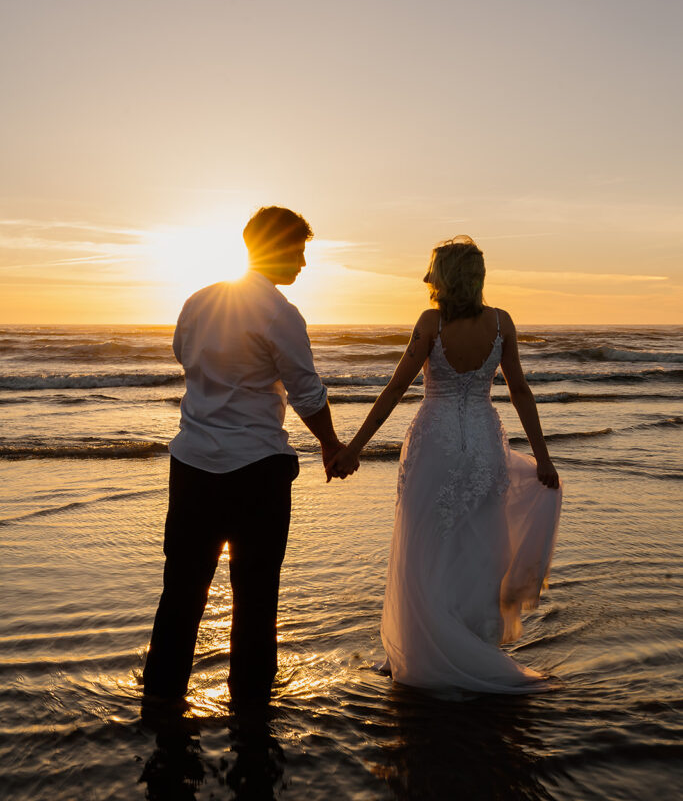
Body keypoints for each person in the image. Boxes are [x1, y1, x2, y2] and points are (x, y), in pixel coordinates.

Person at [329, 236, 562, 695]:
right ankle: (470, 645)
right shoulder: (502, 323)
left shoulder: (431, 323)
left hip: (434, 445)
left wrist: (354, 447)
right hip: (482, 446)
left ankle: (424, 654)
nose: (424, 278)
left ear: (448, 277)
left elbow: (396, 388)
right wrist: (543, 457)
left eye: (432, 270)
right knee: (476, 549)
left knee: (425, 550)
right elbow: (520, 392)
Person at [143, 206, 352, 707]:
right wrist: (330, 444)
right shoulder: (279, 313)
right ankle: (250, 702)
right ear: (277, 248)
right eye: (299, 251)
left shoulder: (198, 302)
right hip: (256, 471)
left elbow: (182, 357)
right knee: (256, 594)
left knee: (182, 588)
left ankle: (162, 694)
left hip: (192, 465)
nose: (303, 263)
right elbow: (306, 393)